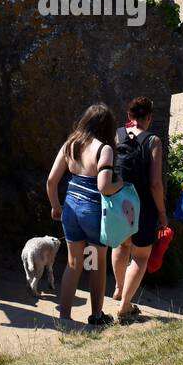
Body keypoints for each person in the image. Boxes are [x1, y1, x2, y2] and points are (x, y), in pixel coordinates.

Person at [46, 104, 120, 328]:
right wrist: (121, 184)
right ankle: (96, 315)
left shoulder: (71, 144)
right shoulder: (103, 148)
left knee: (74, 263)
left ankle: (65, 317)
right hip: (93, 211)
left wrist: (55, 206)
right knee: (96, 263)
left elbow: (51, 181)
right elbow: (104, 186)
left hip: (70, 207)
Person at [111, 98, 167, 322]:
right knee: (141, 256)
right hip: (143, 204)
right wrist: (162, 212)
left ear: (129, 115)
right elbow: (155, 183)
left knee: (121, 245)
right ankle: (125, 305)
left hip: (119, 201)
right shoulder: (153, 141)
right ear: (149, 117)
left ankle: (118, 287)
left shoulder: (117, 134)